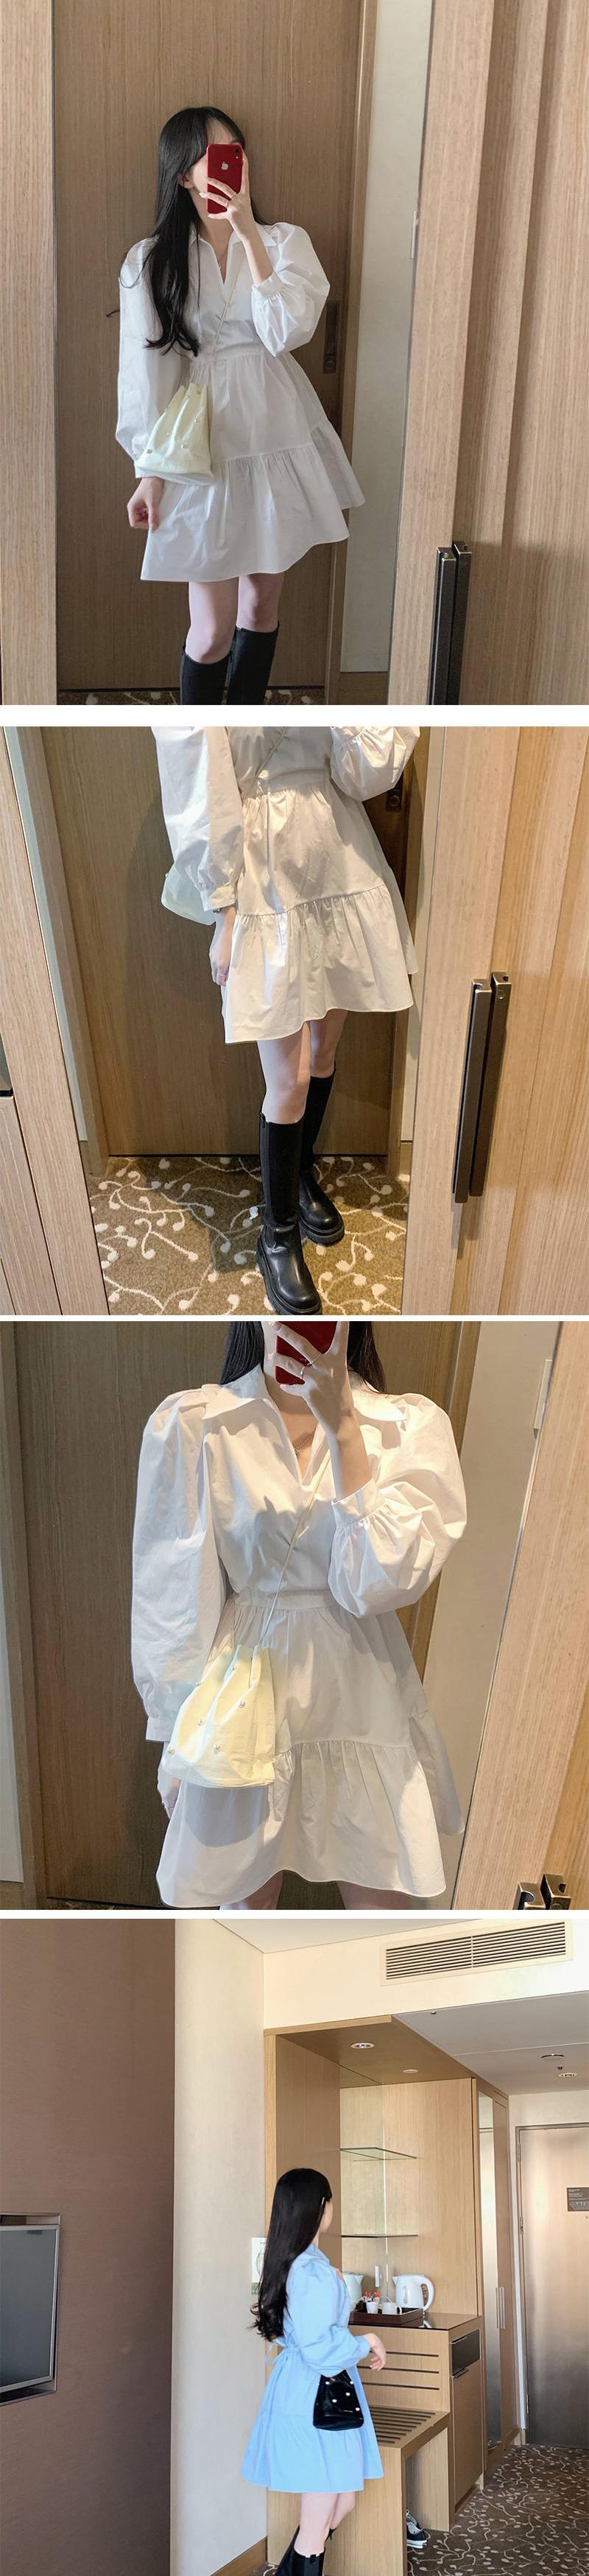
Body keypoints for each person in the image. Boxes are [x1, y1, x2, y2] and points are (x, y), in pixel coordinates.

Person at [131, 1317, 467, 1911]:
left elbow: (377, 1582)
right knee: (246, 1910)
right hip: (245, 1691)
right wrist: (174, 1732)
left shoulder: (407, 1428)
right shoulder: (196, 1423)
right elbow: (173, 1602)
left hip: (360, 1692)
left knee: (383, 1917)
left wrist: (344, 1429)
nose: (298, 1315)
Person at [153, 721, 418, 1310]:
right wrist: (223, 910)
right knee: (289, 1079)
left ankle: (297, 1174)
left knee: (325, 1050)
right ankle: (276, 1237)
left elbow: (362, 774)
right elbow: (196, 782)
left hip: (337, 854)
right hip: (261, 868)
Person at [117, 107, 362, 701]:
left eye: (235, 149)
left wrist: (249, 233)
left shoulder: (284, 242)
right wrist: (149, 471)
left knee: (260, 607)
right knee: (210, 632)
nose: (231, 162)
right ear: (183, 175)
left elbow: (285, 333)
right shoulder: (151, 260)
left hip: (274, 429)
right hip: (202, 446)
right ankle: (203, 739)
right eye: (212, 153)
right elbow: (145, 373)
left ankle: (245, 727)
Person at [243, 2166, 385, 2576]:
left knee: (340, 2501)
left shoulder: (298, 2263)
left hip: (308, 2395)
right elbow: (321, 2348)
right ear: (318, 2206)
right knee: (322, 2513)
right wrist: (366, 2342)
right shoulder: (310, 2270)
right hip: (315, 2400)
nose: (332, 2208)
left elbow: (301, 2336)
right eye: (330, 2200)